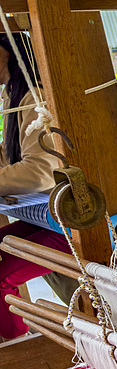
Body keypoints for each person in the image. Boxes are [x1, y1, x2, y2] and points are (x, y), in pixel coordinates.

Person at [0, 31, 68, 342]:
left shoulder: (34, 96)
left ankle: (20, 350)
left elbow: (40, 173)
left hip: (70, 222)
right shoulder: (13, 95)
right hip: (47, 218)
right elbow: (10, 160)